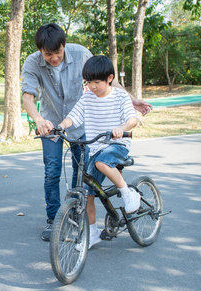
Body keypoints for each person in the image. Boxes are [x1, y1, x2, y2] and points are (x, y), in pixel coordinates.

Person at [22, 23, 152, 242]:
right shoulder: (32, 62)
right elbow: (28, 96)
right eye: (48, 54)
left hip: (83, 124)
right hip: (54, 122)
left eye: (58, 52)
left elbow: (106, 79)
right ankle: (54, 220)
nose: (54, 58)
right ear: (40, 51)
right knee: (52, 170)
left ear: (64, 44)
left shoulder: (81, 53)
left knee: (80, 172)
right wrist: (39, 120)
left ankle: (75, 214)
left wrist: (133, 100)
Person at [58, 55, 140, 248]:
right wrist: (61, 126)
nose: (92, 86)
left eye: (97, 82)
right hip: (94, 147)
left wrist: (121, 127)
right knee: (88, 195)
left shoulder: (120, 96)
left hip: (117, 145)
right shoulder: (87, 98)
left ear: (110, 78)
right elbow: (74, 116)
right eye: (89, 82)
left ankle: (127, 193)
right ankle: (92, 233)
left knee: (101, 162)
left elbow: (132, 119)